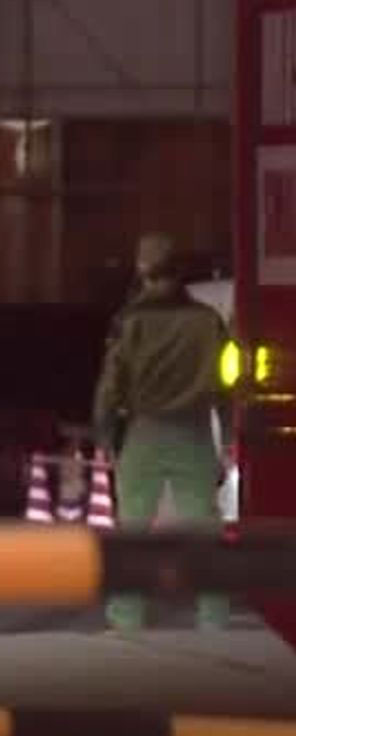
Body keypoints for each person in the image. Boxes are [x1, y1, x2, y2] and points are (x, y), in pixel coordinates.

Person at [93, 232, 233, 631]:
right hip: (193, 433)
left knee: (133, 531)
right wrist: (229, 438)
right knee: (204, 532)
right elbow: (227, 384)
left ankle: (127, 620)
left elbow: (110, 385)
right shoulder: (209, 322)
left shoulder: (128, 322)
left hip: (144, 433)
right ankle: (214, 620)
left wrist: (104, 436)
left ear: (142, 269)